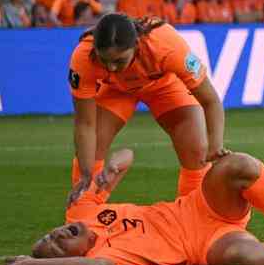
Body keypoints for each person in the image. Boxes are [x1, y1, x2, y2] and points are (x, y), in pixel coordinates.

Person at [0, 148, 264, 265]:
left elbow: (127, 155)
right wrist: (28, 263)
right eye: (55, 250)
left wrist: (106, 173)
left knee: (240, 164)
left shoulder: (83, 208)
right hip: (205, 245)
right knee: (249, 257)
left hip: (197, 206)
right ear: (73, 259)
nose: (54, 237)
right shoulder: (107, 257)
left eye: (47, 236)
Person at [66, 14, 226, 206]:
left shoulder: (166, 46)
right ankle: (83, 213)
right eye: (105, 60)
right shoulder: (84, 57)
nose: (111, 66)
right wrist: (86, 173)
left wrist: (215, 146)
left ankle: (192, 213)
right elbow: (85, 123)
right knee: (93, 147)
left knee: (195, 147)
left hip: (162, 86)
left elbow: (210, 101)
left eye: (119, 60)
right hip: (116, 90)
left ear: (136, 44)